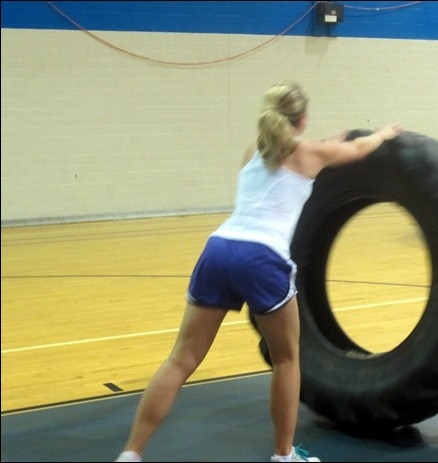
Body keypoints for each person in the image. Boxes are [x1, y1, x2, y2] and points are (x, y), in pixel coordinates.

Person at [114, 80, 404, 463]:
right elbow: (359, 149)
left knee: (181, 360)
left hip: (219, 248)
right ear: (302, 119)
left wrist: (322, 145)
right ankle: (284, 456)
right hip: (262, 257)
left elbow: (283, 160)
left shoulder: (254, 150)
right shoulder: (312, 152)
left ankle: (131, 453)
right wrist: (383, 133)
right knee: (286, 359)